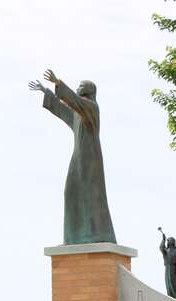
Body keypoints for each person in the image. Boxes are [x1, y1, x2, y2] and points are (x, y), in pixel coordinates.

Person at [29, 69, 116, 245]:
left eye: (81, 86)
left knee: (92, 196)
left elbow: (75, 102)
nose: (78, 88)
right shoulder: (79, 113)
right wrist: (46, 92)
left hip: (90, 160)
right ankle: (72, 237)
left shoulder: (91, 108)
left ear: (89, 91)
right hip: (78, 158)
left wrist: (58, 84)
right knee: (71, 192)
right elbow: (64, 110)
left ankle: (97, 235)